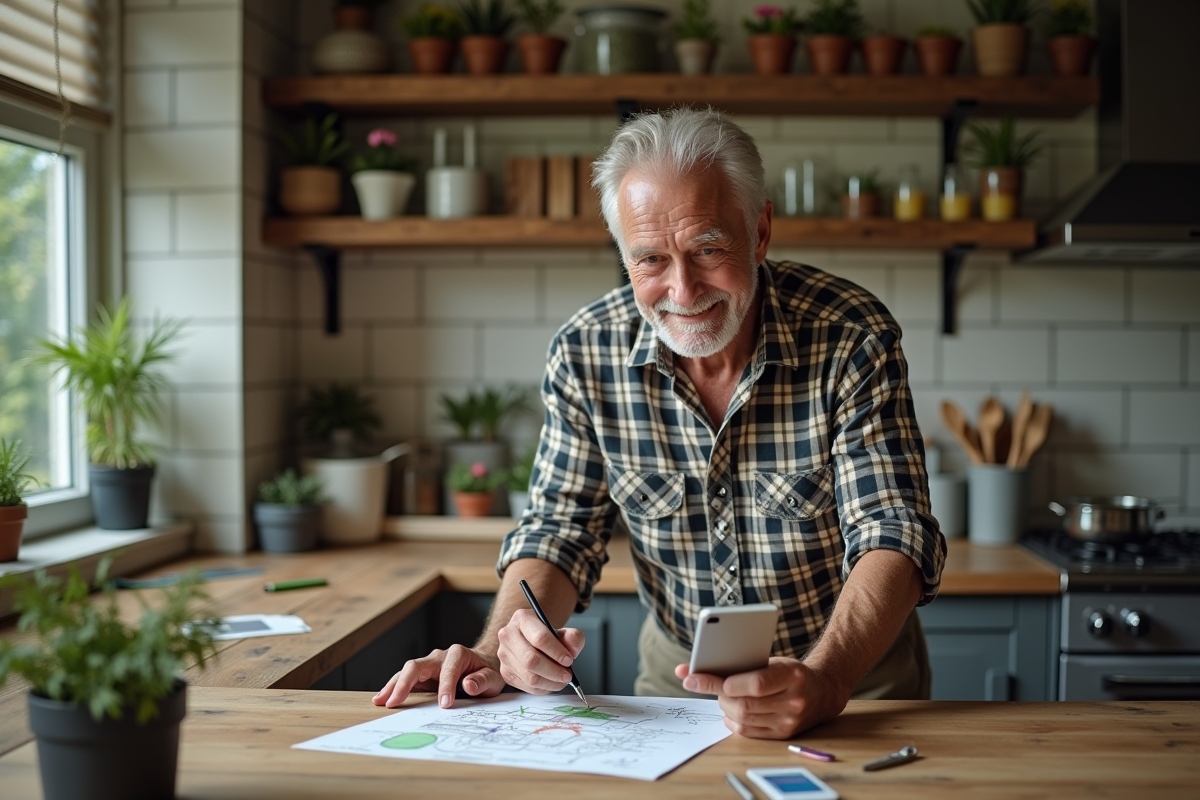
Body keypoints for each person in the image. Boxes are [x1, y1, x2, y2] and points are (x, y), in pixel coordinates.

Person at [375, 107, 946, 740]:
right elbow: (560, 531)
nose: (682, 289)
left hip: (852, 675)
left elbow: (892, 529)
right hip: (677, 683)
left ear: (758, 233)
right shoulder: (586, 351)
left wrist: (830, 678)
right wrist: (501, 646)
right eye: (650, 260)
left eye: (707, 248)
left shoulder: (850, 336)